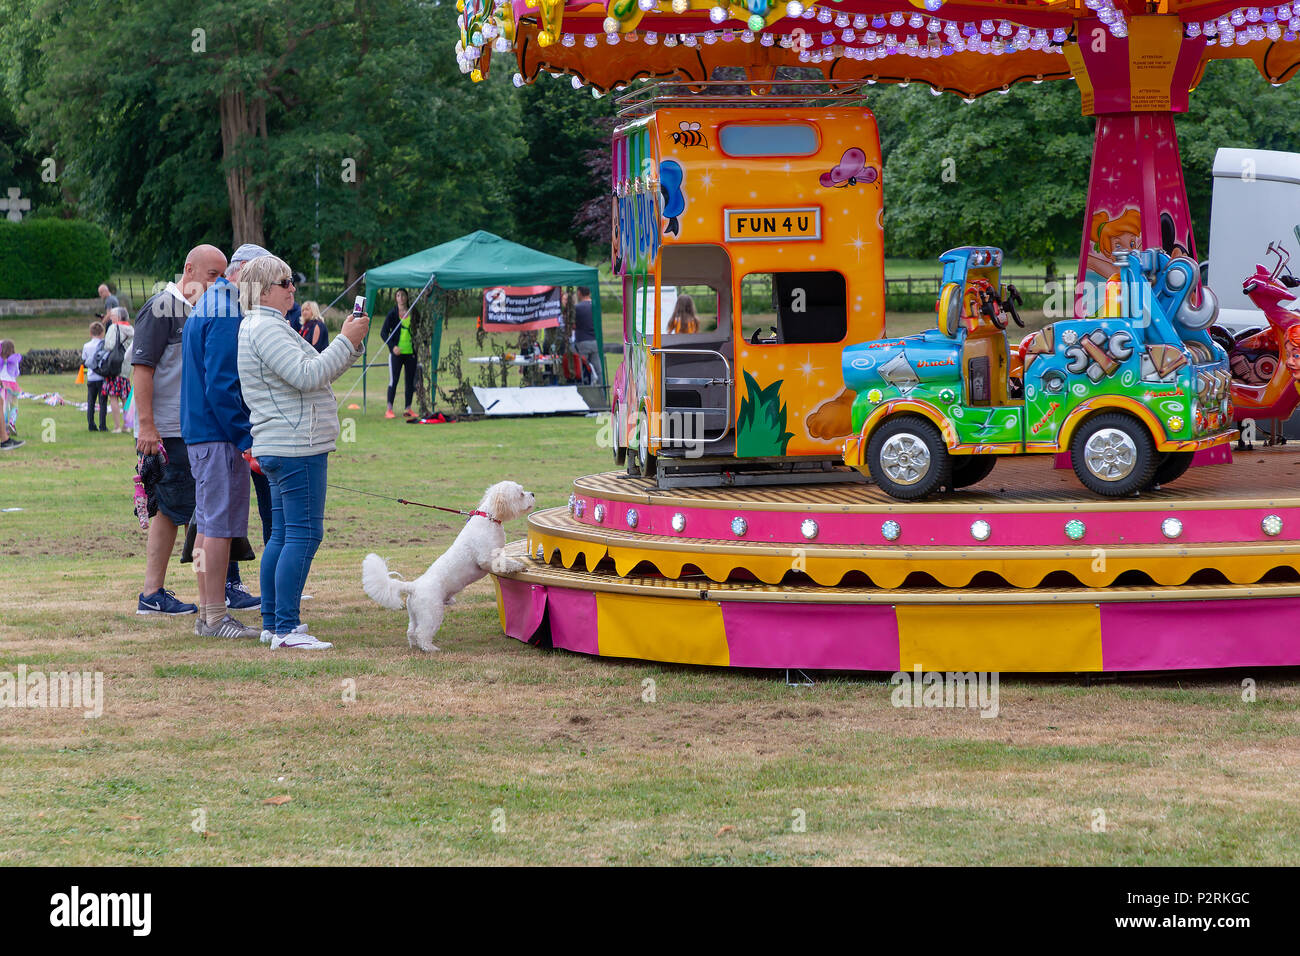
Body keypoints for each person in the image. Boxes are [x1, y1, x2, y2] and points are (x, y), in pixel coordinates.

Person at [237, 254, 368, 650]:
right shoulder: (266, 328)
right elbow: (308, 375)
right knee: (304, 534)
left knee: (282, 534)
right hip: (295, 445)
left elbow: (314, 370)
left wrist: (351, 344)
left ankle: (274, 623)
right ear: (262, 291)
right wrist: (346, 339)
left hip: (283, 443)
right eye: (285, 281)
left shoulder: (265, 325)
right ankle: (287, 629)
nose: (293, 287)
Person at [132, 244, 228, 616]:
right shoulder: (162, 308)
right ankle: (212, 595)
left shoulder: (199, 309)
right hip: (169, 430)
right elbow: (142, 367)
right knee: (196, 514)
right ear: (188, 269)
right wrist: (147, 426)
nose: (218, 283)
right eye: (212, 275)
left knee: (175, 512)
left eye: (222, 275)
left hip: (188, 427)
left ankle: (155, 594)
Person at [181, 243, 271, 639]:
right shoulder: (225, 309)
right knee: (217, 526)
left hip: (205, 432)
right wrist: (245, 436)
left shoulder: (212, 303)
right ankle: (216, 617)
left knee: (208, 524)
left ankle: (208, 614)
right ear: (246, 271)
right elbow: (221, 385)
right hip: (218, 435)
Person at [380, 288, 418, 419]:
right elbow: (383, 333)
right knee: (394, 380)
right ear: (395, 298)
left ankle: (408, 408)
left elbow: (420, 329)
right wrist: (392, 347)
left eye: (403, 295)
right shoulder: (392, 314)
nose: (401, 298)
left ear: (407, 297)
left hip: (411, 353)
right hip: (396, 354)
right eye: (398, 295)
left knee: (410, 381)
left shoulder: (414, 312)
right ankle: (389, 409)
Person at [101, 307, 134, 433]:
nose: (111, 317)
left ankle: (117, 426)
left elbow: (108, 345)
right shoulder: (131, 330)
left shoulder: (114, 328)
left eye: (113, 315)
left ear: (119, 317)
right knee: (125, 396)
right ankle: (127, 425)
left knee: (113, 397)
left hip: (114, 366)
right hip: (126, 366)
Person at [81, 321, 108, 432]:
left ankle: (91, 424)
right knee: (103, 402)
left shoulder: (86, 346)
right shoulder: (104, 345)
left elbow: (84, 359)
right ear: (102, 333)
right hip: (101, 377)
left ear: (90, 333)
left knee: (91, 402)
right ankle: (102, 425)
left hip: (91, 377)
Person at [572, 286, 600, 385]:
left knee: (582, 369)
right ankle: (601, 390)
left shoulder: (577, 308)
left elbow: (573, 325)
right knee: (598, 369)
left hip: (582, 342)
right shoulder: (596, 306)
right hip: (595, 341)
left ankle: (584, 389)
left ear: (579, 293)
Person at [0, 339, 22, 450]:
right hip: (12, 385)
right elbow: (17, 372)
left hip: (2, 385)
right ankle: (12, 422)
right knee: (14, 406)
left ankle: (4, 428)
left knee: (3, 408)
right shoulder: (14, 360)